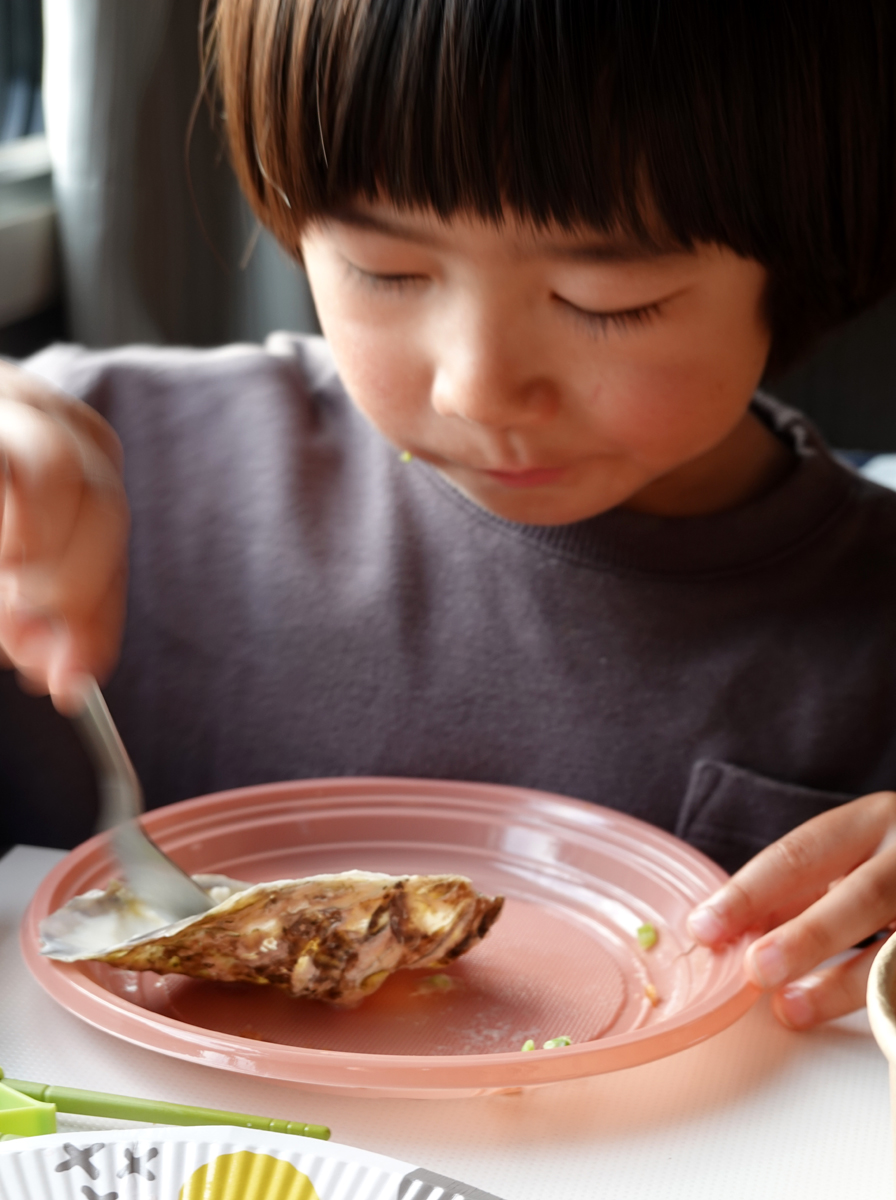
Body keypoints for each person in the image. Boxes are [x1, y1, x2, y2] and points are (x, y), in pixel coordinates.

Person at [1, 0, 896, 1035]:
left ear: (806, 259)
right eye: (386, 271)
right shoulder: (87, 481)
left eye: (606, 298)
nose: (477, 388)